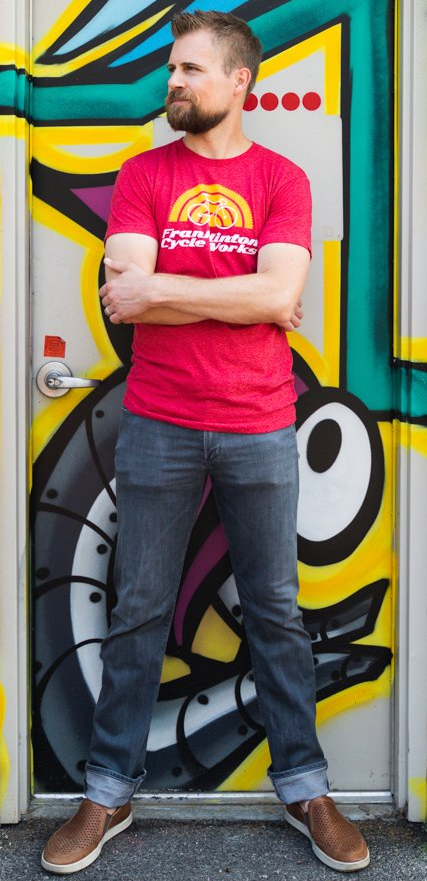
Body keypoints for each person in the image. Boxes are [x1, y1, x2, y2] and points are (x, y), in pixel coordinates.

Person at [41, 10, 369, 875]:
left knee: (275, 611)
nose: (173, 82)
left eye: (189, 69)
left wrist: (176, 289)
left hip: (260, 422)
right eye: (171, 71)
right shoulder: (144, 172)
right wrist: (245, 291)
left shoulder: (280, 179)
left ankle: (303, 783)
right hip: (158, 421)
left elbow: (271, 298)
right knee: (138, 608)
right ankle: (108, 788)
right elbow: (131, 299)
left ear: (238, 84)